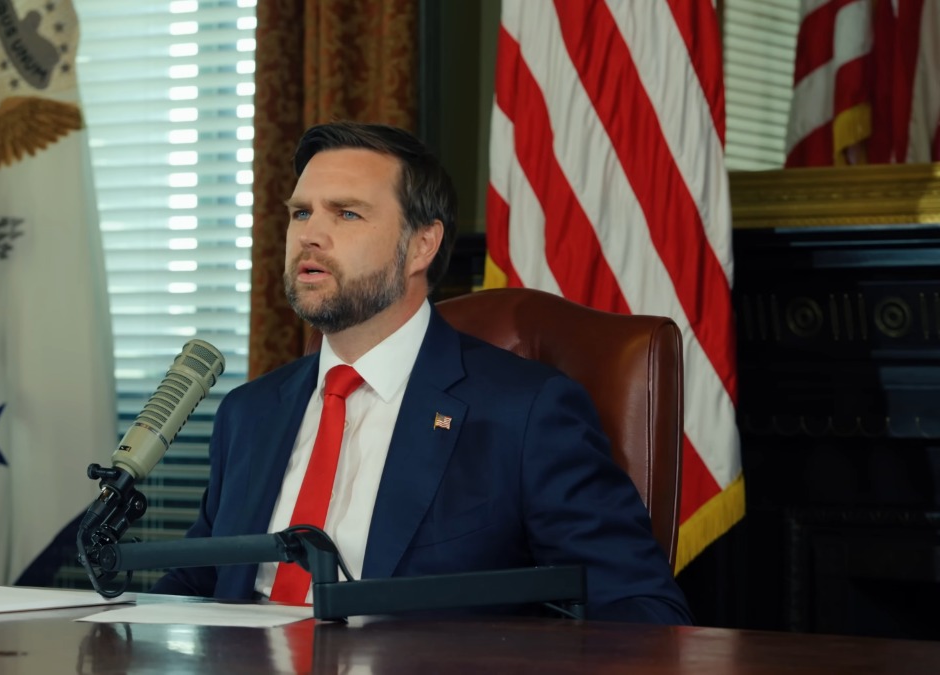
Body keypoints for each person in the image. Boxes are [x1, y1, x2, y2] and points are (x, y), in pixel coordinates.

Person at [151, 121, 692, 624]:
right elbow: (198, 582)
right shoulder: (249, 413)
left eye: (346, 214)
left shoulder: (527, 413)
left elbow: (641, 611)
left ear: (421, 245)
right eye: (301, 213)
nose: (310, 235)